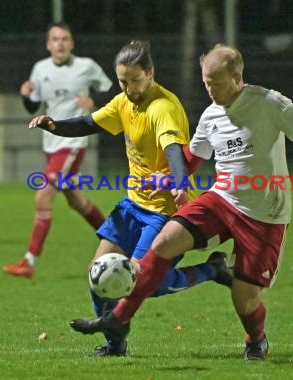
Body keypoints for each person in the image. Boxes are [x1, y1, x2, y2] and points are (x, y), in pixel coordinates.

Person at [69, 44, 293, 360]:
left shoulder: (269, 103)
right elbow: (193, 157)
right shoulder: (211, 115)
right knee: (164, 243)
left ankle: (256, 339)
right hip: (222, 201)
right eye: (205, 82)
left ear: (237, 77)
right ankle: (118, 320)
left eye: (216, 82)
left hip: (265, 215)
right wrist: (169, 178)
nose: (209, 89)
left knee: (245, 299)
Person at [28, 40, 233, 356]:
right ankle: (115, 344)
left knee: (138, 283)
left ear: (151, 73)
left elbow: (174, 149)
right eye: (122, 81)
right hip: (132, 205)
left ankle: (211, 270)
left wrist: (179, 183)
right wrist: (54, 125)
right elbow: (90, 122)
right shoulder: (124, 102)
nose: (128, 88)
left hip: (163, 212)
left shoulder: (162, 107)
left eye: (134, 80)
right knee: (98, 273)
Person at [3, 23, 114, 279]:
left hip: (73, 143)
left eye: (65, 39)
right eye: (55, 39)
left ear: (72, 43)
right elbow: (33, 107)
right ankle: (118, 241)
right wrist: (26, 96)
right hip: (51, 146)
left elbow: (112, 90)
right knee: (77, 201)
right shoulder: (40, 69)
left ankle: (29, 261)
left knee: (43, 197)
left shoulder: (86, 66)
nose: (60, 44)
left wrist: (94, 101)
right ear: (48, 44)